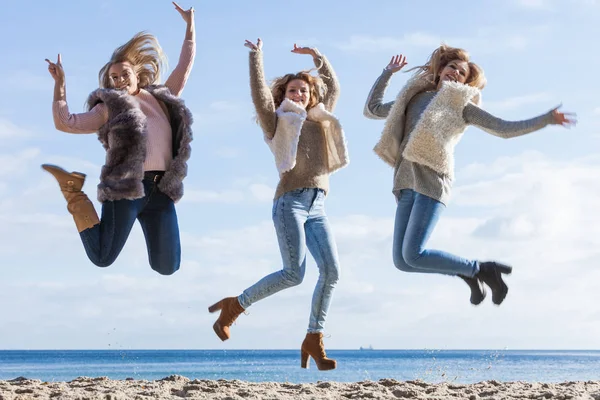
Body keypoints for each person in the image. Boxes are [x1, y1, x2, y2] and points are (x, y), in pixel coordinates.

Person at [363, 46, 576, 306]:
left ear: (465, 82)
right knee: (402, 262)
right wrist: (387, 73)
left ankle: (481, 269)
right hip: (405, 184)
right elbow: (372, 110)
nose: (455, 72)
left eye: (462, 73)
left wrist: (546, 119)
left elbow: (503, 128)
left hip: (433, 181)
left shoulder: (461, 105)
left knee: (414, 255)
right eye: (451, 67)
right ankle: (469, 272)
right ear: (440, 70)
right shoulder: (414, 97)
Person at [209, 38, 348, 371]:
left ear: (312, 95)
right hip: (290, 203)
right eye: (292, 91)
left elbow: (334, 89)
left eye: (303, 90)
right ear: (283, 96)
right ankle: (235, 306)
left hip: (318, 205)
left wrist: (318, 57)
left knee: (331, 272)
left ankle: (314, 337)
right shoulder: (277, 121)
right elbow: (259, 94)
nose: (298, 95)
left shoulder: (320, 118)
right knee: (293, 274)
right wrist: (256, 57)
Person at [42, 2, 196, 276]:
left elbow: (184, 67)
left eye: (125, 74)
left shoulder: (162, 98)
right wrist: (60, 86)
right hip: (126, 188)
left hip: (161, 192)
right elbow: (66, 123)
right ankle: (73, 192)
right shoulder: (109, 107)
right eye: (114, 77)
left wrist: (189, 27)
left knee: (167, 266)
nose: (120, 80)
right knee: (103, 257)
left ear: (137, 75)